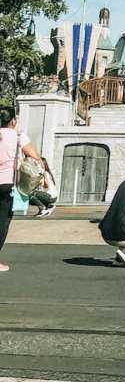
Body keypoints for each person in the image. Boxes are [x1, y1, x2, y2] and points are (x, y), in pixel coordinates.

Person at [0, 107, 42, 272]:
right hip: (8, 183)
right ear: (13, 121)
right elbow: (34, 156)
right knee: (2, 221)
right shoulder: (18, 136)